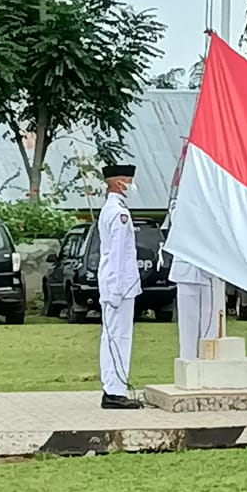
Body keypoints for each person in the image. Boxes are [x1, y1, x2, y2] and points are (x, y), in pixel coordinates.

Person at [98, 163, 144, 409]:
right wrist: (116, 289)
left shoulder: (114, 209)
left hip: (120, 285)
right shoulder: (118, 213)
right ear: (118, 183)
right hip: (119, 286)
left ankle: (114, 387)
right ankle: (114, 391)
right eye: (128, 180)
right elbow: (116, 254)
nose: (131, 185)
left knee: (115, 335)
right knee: (118, 337)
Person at [170, 255, 218, 360]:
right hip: (184, 270)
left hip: (209, 271)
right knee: (187, 328)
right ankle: (188, 365)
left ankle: (208, 365)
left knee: (209, 328)